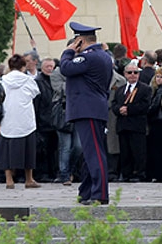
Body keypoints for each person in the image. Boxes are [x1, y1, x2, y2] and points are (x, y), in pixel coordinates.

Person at [60, 22, 113, 205]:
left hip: (88, 109)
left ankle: (100, 194)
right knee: (89, 153)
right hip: (93, 108)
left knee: (94, 153)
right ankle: (87, 192)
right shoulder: (103, 55)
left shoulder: (88, 57)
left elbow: (65, 68)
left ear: (80, 40)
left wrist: (68, 51)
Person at [0, 54, 41, 190]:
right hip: (25, 119)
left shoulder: (3, 81)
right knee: (28, 150)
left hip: (8, 118)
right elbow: (36, 93)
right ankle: (29, 179)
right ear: (23, 66)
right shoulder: (29, 80)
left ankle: (9, 180)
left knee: (6, 150)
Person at [112, 62, 152, 182]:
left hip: (136, 124)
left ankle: (139, 173)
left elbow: (145, 105)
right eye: (130, 72)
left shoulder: (145, 88)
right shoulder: (120, 89)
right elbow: (114, 103)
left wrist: (129, 109)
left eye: (135, 72)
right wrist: (119, 110)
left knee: (138, 151)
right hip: (123, 125)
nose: (133, 75)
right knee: (125, 151)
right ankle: (126, 173)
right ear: (125, 74)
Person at [33, 57, 58, 182]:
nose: (50, 69)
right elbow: (37, 104)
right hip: (43, 121)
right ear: (42, 68)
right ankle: (42, 174)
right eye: (47, 66)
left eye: (52, 67)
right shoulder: (38, 82)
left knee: (53, 149)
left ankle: (52, 172)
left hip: (54, 121)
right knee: (42, 149)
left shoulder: (56, 81)